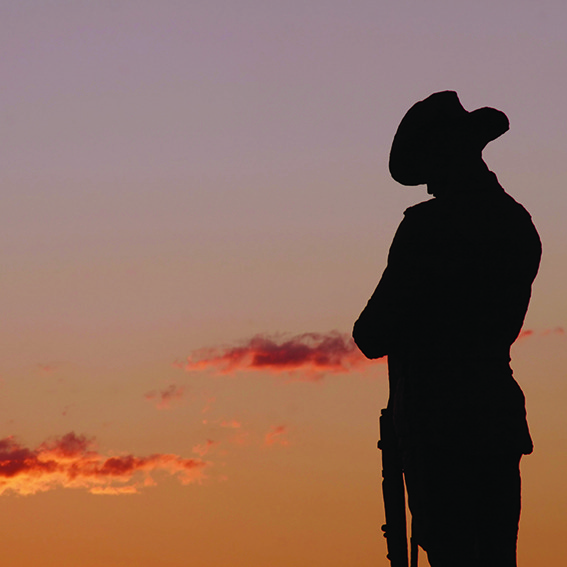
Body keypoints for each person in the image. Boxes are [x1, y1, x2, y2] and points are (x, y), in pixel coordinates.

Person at [353, 91, 541, 567]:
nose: (430, 183)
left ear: (444, 156)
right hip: (495, 419)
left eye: (431, 166)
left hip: (438, 429)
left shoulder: (426, 228)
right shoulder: (516, 223)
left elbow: (371, 333)